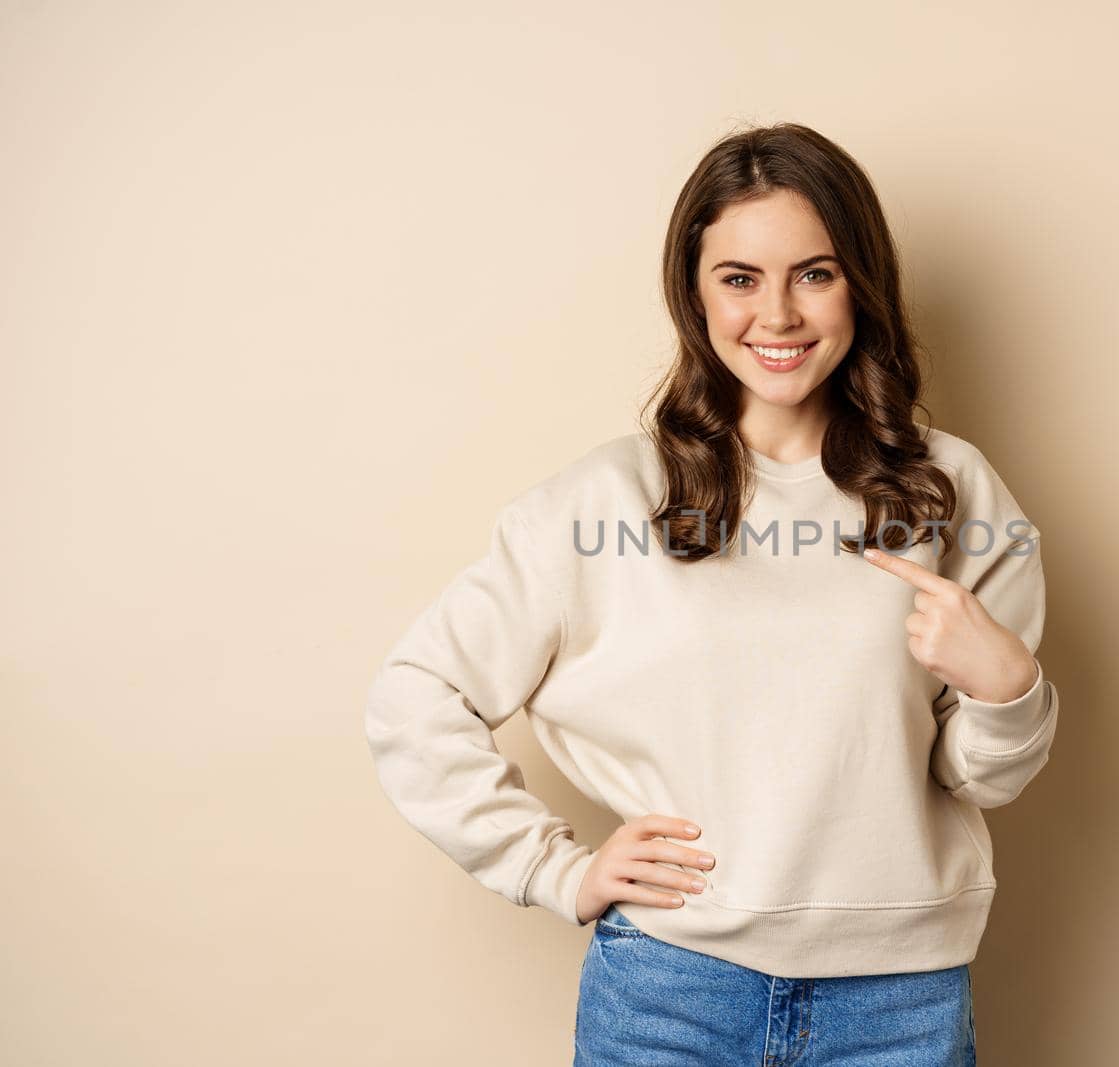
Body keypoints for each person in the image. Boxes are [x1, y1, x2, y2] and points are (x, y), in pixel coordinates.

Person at [363, 122, 1058, 1066]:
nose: (777, 315)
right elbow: (416, 696)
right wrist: (552, 867)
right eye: (739, 278)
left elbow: (981, 776)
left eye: (815, 273)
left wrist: (1008, 686)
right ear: (694, 294)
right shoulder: (606, 500)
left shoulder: (951, 488)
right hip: (669, 992)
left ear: (863, 282)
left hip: (902, 1004)